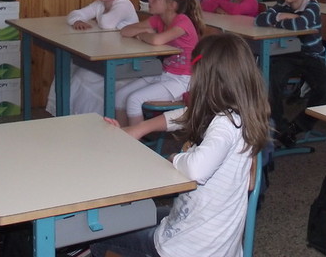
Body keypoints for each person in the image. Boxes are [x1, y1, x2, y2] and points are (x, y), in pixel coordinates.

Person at [90, 33, 271, 257]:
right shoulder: (239, 117)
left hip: (187, 249)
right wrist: (139, 129)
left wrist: (174, 158)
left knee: (101, 234)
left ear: (205, 79)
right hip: (206, 236)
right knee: (139, 215)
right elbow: (186, 114)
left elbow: (196, 170)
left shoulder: (224, 125)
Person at [255, 0, 326, 147]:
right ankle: (278, 127)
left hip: (310, 56)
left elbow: (301, 24)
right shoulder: (281, 5)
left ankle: (297, 126)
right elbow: (259, 19)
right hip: (287, 54)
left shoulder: (312, 7)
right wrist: (283, 15)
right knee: (270, 80)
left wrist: (279, 19)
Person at [45, 0, 139, 116]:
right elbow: (74, 14)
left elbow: (107, 24)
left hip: (125, 61)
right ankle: (63, 113)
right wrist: (77, 20)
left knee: (81, 77)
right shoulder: (100, 4)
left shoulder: (124, 5)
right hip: (105, 53)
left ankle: (88, 118)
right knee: (69, 68)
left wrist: (95, 16)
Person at [117, 0, 204, 126]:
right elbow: (125, 31)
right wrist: (147, 31)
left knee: (134, 100)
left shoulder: (183, 22)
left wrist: (142, 34)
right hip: (164, 73)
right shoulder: (158, 19)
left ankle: (135, 138)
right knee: (120, 96)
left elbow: (157, 40)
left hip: (183, 81)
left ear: (172, 5)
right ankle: (121, 136)